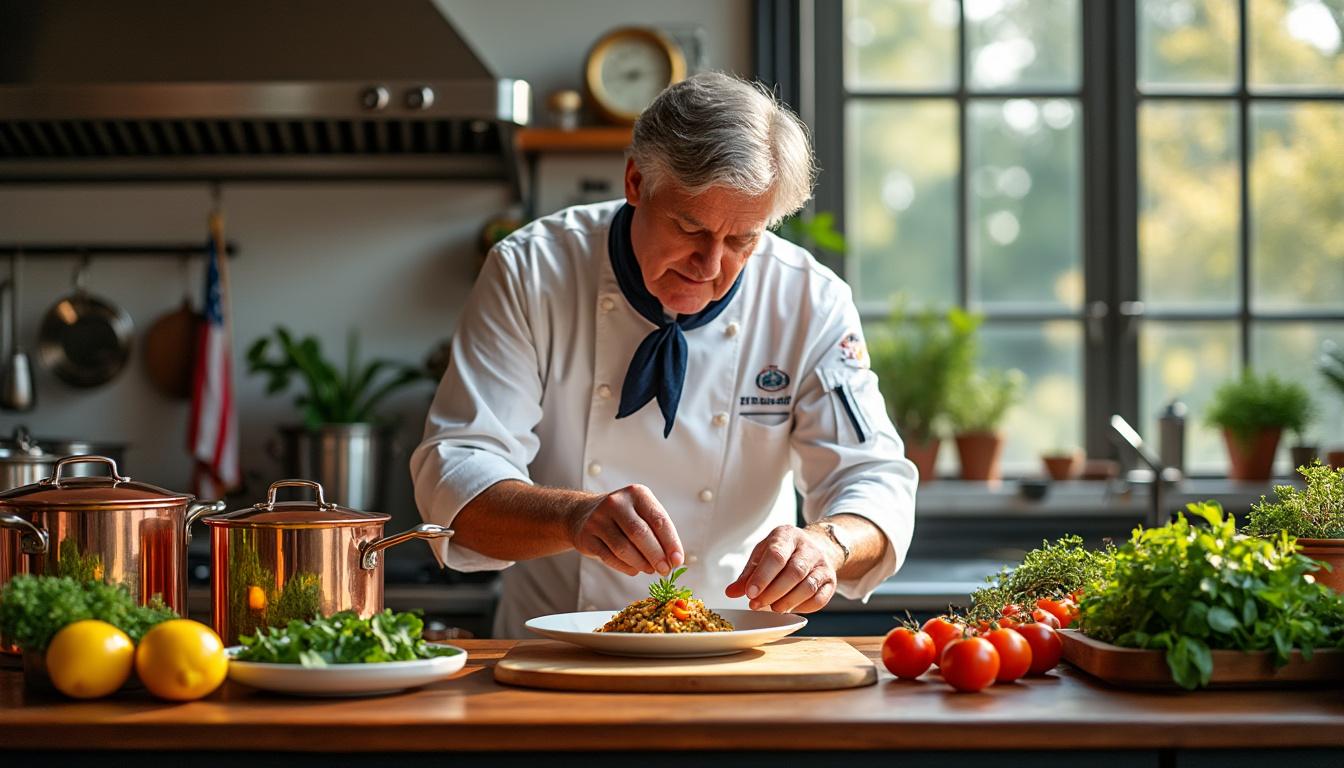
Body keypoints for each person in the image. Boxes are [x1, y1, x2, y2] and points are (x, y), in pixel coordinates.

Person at [412, 72, 917, 637]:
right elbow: (456, 474)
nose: (710, 265)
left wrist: (828, 544)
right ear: (635, 180)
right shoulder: (531, 270)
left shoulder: (809, 300)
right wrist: (574, 518)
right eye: (689, 227)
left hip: (736, 652)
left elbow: (874, 479)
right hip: (553, 651)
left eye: (742, 239)